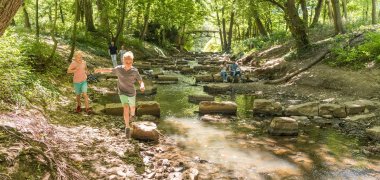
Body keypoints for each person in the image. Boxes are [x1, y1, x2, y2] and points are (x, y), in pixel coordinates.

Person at [94, 51, 145, 138]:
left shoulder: (135, 71)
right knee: (125, 107)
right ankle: (127, 127)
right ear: (123, 60)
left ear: (132, 61)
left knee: (132, 108)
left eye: (130, 61)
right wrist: (100, 70)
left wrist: (142, 85)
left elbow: (140, 80)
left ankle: (132, 115)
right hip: (122, 92)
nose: (128, 63)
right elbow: (109, 70)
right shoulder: (119, 69)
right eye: (126, 61)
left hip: (132, 92)